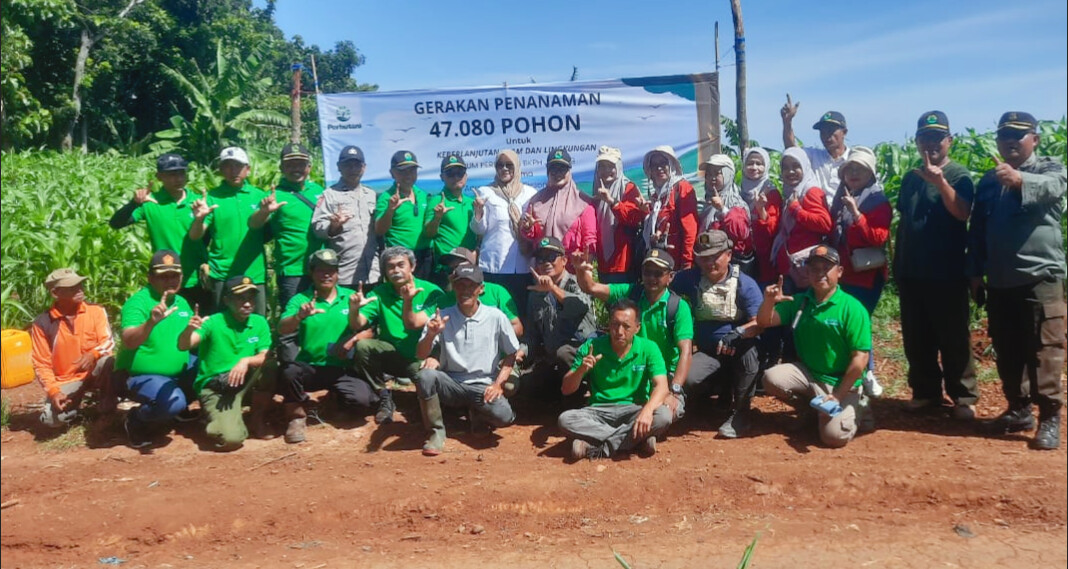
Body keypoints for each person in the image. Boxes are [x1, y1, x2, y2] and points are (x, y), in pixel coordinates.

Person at [968, 111, 1067, 450]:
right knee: (1007, 348)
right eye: (1004, 135)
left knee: (1044, 350)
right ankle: (1018, 409)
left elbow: (1056, 187)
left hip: (1040, 277)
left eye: (1018, 134)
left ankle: (1049, 416)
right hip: (999, 279)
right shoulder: (988, 181)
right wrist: (975, 271)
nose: (1010, 140)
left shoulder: (1049, 169)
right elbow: (978, 228)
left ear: (1034, 140)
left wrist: (1020, 179)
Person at [895, 111, 978, 419]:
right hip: (911, 270)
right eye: (924, 138)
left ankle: (963, 396)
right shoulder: (911, 178)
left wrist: (940, 182)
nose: (930, 144)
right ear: (917, 142)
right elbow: (904, 221)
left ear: (949, 141)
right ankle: (926, 392)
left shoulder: (958, 175)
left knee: (953, 337)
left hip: (947, 272)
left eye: (936, 138)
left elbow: (962, 212)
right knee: (917, 338)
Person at [757, 246, 872, 448]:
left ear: (839, 272)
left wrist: (838, 396)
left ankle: (859, 405)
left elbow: (860, 358)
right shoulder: (800, 301)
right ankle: (811, 409)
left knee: (833, 437)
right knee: (771, 378)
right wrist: (768, 302)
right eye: (814, 268)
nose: (820, 273)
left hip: (841, 382)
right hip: (809, 374)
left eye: (826, 268)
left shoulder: (852, 308)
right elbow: (764, 321)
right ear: (807, 272)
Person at [573, 247, 693, 425]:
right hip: (635, 374)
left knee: (666, 414)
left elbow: (686, 351)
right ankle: (634, 434)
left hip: (663, 377)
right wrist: (580, 271)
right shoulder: (631, 292)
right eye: (647, 272)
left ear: (670, 277)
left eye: (658, 273)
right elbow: (590, 287)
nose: (651, 278)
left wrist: (674, 390)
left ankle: (609, 434)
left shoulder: (677, 307)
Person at [414, 264, 520, 455]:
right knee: (425, 376)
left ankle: (477, 414)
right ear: (453, 287)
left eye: (471, 286)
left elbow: (511, 353)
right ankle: (436, 432)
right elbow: (420, 355)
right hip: (451, 382)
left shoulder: (496, 317)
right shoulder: (442, 316)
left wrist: (498, 384)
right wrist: (430, 335)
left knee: (504, 417)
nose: (465, 291)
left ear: (481, 289)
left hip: (483, 384)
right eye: (460, 285)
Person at [670, 230, 763, 438]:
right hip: (709, 353)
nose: (709, 263)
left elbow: (760, 323)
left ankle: (742, 413)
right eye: (703, 258)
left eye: (714, 257)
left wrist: (739, 332)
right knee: (687, 377)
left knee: (749, 355)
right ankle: (709, 400)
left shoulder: (744, 284)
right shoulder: (692, 278)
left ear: (729, 255)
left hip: (738, 350)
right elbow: (666, 282)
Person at [276, 249, 372, 444]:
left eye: (331, 270)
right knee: (289, 372)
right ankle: (296, 416)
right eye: (320, 270)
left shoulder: (351, 297)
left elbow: (370, 330)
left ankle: (334, 399)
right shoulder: (301, 299)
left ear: (337, 273)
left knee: (363, 401)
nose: (326, 275)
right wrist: (299, 316)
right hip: (310, 367)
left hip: (342, 368)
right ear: (311, 273)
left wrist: (354, 336)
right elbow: (282, 328)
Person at [558, 299, 672, 460]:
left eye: (626, 326)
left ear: (637, 328)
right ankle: (636, 441)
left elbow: (662, 387)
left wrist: (647, 411)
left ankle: (595, 446)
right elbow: (566, 389)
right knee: (566, 420)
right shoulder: (592, 347)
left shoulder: (649, 348)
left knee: (663, 416)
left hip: (634, 410)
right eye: (615, 325)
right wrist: (581, 369)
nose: (619, 331)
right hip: (598, 411)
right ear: (608, 325)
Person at [349, 246, 444, 424]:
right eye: (390, 267)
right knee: (363, 346)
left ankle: (423, 404)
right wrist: (354, 310)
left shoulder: (431, 292)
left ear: (412, 266)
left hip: (421, 358)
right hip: (392, 354)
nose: (396, 270)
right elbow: (358, 324)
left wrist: (435, 356)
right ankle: (383, 396)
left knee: (432, 392)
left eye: (401, 265)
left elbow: (417, 324)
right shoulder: (379, 293)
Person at [178, 275, 274, 451]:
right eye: (240, 298)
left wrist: (245, 360)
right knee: (231, 440)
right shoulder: (213, 322)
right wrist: (188, 330)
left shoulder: (259, 322)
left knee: (270, 366)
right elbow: (184, 345)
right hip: (218, 387)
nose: (247, 304)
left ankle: (257, 418)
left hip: (245, 380)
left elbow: (264, 355)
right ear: (226, 300)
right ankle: (217, 418)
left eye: (251, 298)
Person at [115, 251, 196, 448]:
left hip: (178, 372)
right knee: (173, 402)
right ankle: (135, 420)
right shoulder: (138, 303)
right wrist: (151, 322)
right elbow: (129, 341)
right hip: (142, 375)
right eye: (163, 276)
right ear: (150, 278)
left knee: (213, 368)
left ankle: (179, 408)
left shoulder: (182, 302)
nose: (170, 281)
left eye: (174, 275)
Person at [109, 153, 210, 309]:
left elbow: (207, 236)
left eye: (181, 173)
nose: (178, 178)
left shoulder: (199, 202)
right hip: (166, 278)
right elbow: (116, 223)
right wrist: (134, 203)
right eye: (171, 174)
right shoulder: (150, 202)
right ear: (159, 176)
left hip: (196, 279)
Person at [829, 146, 891, 397]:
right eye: (850, 169)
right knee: (848, 324)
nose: (853, 174)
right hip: (845, 273)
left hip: (866, 275)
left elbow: (878, 237)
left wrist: (857, 214)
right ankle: (857, 373)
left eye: (860, 169)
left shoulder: (877, 201)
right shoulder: (842, 197)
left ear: (871, 174)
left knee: (859, 323)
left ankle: (867, 372)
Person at [30, 268, 116, 428]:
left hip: (94, 371)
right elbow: (41, 364)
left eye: (80, 285)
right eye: (72, 287)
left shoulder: (96, 312)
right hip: (67, 379)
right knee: (52, 420)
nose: (80, 290)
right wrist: (54, 392)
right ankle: (77, 409)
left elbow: (108, 342)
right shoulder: (43, 323)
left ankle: (107, 411)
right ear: (55, 293)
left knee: (108, 361)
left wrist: (93, 354)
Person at [188, 147, 269, 315]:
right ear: (221, 170)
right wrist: (199, 219)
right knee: (222, 323)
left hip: (254, 271)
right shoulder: (212, 197)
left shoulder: (260, 196)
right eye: (228, 166)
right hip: (222, 272)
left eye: (238, 166)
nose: (233, 171)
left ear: (248, 169)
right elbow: (195, 236)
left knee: (256, 322)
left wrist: (264, 211)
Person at [250, 142, 325, 309]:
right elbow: (254, 224)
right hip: (293, 271)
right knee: (294, 317)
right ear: (282, 168)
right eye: (290, 165)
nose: (296, 169)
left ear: (309, 167)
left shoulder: (318, 190)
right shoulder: (275, 195)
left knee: (321, 316)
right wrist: (264, 211)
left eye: (301, 164)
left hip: (322, 267)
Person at [521, 236, 597, 401]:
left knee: (563, 354)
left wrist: (553, 289)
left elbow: (580, 306)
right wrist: (520, 353)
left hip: (581, 357)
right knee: (526, 387)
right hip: (552, 358)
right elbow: (532, 336)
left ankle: (582, 395)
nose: (546, 263)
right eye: (541, 259)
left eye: (551, 257)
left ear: (564, 260)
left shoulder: (578, 283)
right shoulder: (535, 293)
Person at [472, 150, 538, 316]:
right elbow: (479, 229)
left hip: (522, 265)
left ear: (517, 166)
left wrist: (529, 227)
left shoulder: (530, 193)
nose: (504, 169)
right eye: (500, 165)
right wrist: (478, 212)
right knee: (494, 313)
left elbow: (536, 228)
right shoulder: (486, 192)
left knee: (520, 313)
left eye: (509, 165)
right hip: (494, 265)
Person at [311, 145, 380, 288]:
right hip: (345, 273)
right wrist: (333, 226)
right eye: (348, 165)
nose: (353, 169)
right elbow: (318, 228)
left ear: (364, 167)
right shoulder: (329, 195)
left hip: (373, 272)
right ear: (339, 167)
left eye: (357, 165)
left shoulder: (371, 194)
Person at [770, 147, 833, 291]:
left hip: (806, 267)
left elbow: (824, 223)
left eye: (795, 166)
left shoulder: (810, 191)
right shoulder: (790, 192)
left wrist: (797, 210)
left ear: (805, 166)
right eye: (786, 168)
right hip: (792, 266)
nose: (790, 172)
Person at [520, 148, 597, 259]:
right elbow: (533, 237)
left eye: (562, 169)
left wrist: (586, 263)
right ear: (548, 171)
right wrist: (528, 228)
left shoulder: (583, 202)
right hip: (544, 264)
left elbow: (590, 239)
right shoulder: (536, 201)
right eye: (554, 169)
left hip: (573, 264)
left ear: (569, 171)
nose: (558, 174)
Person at [590, 146, 648, 284]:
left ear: (618, 167)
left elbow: (633, 218)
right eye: (602, 166)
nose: (606, 171)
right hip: (603, 263)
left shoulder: (629, 187)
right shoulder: (597, 189)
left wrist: (611, 201)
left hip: (623, 262)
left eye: (610, 166)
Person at [436, 248, 523, 338]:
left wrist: (488, 339)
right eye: (449, 270)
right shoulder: (443, 301)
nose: (454, 273)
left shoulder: (496, 292)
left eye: (459, 268)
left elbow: (517, 327)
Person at [781, 96, 850, 203]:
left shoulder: (853, 159)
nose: (827, 136)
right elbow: (792, 151)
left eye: (831, 131)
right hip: (817, 210)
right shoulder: (814, 156)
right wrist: (787, 122)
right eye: (823, 132)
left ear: (844, 132)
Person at [424, 154, 478, 287]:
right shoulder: (436, 201)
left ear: (466, 176)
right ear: (442, 177)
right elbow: (428, 233)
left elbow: (479, 234)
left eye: (460, 173)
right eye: (450, 173)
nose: (456, 177)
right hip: (448, 269)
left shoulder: (472, 203)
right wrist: (437, 217)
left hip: (470, 266)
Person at [375, 150, 431, 275]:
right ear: (392, 173)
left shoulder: (423, 195)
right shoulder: (386, 198)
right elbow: (379, 230)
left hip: (424, 256)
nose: (408, 175)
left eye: (412, 170)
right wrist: (390, 210)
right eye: (403, 171)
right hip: (400, 259)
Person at [643, 146, 698, 269]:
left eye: (663, 163)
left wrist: (687, 263)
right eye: (654, 165)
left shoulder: (682, 188)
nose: (659, 168)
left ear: (671, 165)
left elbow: (690, 230)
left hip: (678, 263)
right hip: (660, 262)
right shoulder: (655, 197)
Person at [697, 154, 754, 274]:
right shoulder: (705, 203)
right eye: (709, 174)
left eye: (717, 173)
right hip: (707, 265)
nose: (712, 178)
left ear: (728, 175)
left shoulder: (735, 202)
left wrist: (722, 209)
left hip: (730, 268)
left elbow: (741, 233)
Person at [739, 147, 783, 285]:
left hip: (765, 257)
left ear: (766, 166)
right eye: (750, 163)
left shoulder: (771, 193)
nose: (754, 167)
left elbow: (772, 229)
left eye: (759, 163)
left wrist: (761, 209)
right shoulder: (738, 191)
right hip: (743, 255)